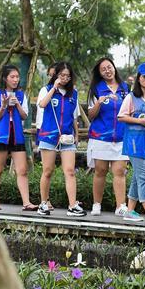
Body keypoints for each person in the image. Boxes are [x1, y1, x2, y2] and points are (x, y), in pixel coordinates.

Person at [37, 62, 85, 217]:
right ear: (56, 75)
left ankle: (72, 205)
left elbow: (74, 116)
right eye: (62, 75)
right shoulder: (46, 89)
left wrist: (76, 135)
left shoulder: (73, 94)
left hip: (67, 137)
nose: (65, 78)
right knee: (48, 171)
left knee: (70, 171)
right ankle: (43, 203)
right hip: (49, 135)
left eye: (68, 76)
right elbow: (42, 104)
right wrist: (54, 88)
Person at [118, 62, 145, 223]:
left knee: (138, 178)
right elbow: (121, 116)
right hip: (135, 143)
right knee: (144, 176)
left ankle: (130, 211)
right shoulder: (131, 97)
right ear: (139, 78)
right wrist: (138, 121)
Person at [87, 57, 131, 216]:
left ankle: (120, 206)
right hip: (101, 137)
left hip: (121, 136)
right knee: (100, 170)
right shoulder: (96, 89)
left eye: (109, 67)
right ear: (100, 73)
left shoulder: (125, 88)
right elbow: (91, 115)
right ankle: (96, 204)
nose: (107, 71)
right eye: (103, 69)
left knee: (120, 171)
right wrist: (99, 102)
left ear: (114, 67)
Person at [0, 65, 36, 212]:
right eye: (12, 77)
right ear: (5, 78)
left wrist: (17, 104)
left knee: (22, 170)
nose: (15, 80)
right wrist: (4, 105)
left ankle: (26, 202)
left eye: (17, 77)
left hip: (17, 135)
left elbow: (24, 116)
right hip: (1, 136)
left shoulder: (21, 95)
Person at [34, 64, 57, 152]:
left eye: (53, 75)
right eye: (49, 75)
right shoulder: (45, 90)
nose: (51, 78)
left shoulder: (69, 93)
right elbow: (41, 108)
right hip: (44, 128)